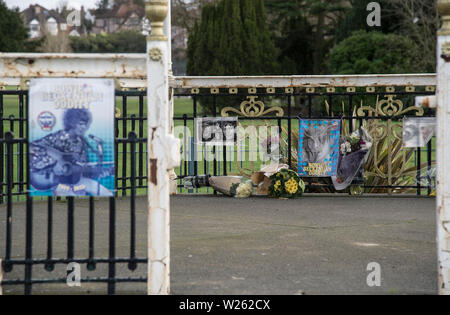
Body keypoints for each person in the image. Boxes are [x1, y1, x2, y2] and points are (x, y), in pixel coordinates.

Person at [30, 108, 113, 196]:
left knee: (105, 193)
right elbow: (32, 146)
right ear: (72, 123)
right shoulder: (59, 136)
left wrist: (102, 172)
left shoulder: (81, 143)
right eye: (81, 124)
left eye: (85, 124)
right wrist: (57, 158)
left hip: (71, 181)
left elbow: (81, 168)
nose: (84, 127)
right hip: (54, 182)